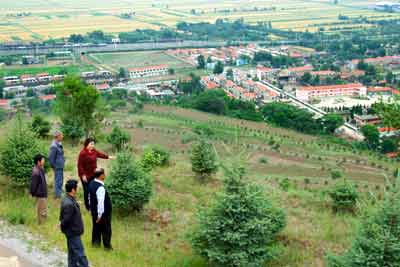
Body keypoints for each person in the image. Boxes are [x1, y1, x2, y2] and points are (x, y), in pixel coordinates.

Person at [60, 179, 89, 267]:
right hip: (73, 232)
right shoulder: (69, 203)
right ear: (73, 190)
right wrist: (61, 223)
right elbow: (66, 219)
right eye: (76, 188)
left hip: (71, 232)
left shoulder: (68, 199)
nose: (77, 189)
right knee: (80, 253)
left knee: (72, 253)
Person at [78, 138, 113, 210]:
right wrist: (83, 175)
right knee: (87, 191)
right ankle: (88, 206)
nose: (92, 146)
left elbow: (100, 154)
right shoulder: (83, 153)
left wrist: (108, 157)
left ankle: (94, 204)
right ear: (87, 144)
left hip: (93, 175)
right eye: (91, 144)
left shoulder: (94, 151)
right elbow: (80, 165)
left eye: (93, 144)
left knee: (93, 190)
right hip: (85, 176)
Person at [88, 168, 113, 250]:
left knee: (96, 227)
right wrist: (100, 214)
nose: (105, 175)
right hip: (102, 213)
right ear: (101, 175)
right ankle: (107, 246)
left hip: (94, 211)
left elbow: (89, 197)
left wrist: (91, 208)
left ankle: (95, 243)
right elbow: (101, 202)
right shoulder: (100, 187)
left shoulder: (91, 183)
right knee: (106, 229)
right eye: (104, 174)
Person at [30, 154, 47, 225]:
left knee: (43, 210)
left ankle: (42, 224)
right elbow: (33, 184)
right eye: (43, 160)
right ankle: (40, 224)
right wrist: (32, 193)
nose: (44, 161)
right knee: (40, 211)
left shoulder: (41, 169)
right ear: (38, 162)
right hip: (39, 194)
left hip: (43, 193)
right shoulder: (36, 172)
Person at [49, 131, 65, 199]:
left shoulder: (58, 144)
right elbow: (51, 158)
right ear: (57, 136)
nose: (62, 137)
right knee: (58, 180)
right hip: (57, 167)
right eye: (61, 135)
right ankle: (58, 195)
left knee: (60, 180)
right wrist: (54, 166)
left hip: (60, 166)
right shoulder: (54, 146)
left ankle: (59, 192)